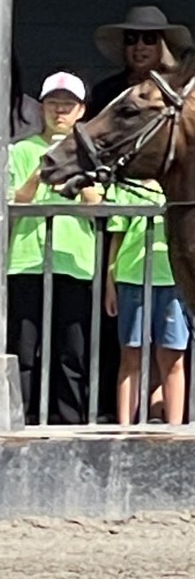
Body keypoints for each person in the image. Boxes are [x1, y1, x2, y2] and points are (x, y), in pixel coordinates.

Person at [7, 72, 101, 426]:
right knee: (24, 348)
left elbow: (97, 204)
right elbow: (13, 201)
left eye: (68, 104)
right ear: (41, 107)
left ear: (81, 110)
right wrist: (41, 170)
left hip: (74, 259)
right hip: (26, 260)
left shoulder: (91, 153)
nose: (60, 111)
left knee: (72, 348)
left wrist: (73, 176)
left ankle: (70, 418)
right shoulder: (20, 149)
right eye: (53, 103)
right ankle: (23, 415)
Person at [105, 172, 188, 427]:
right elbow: (117, 236)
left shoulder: (183, 184)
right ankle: (125, 428)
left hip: (175, 279)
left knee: (172, 357)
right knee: (130, 354)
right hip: (132, 277)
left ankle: (173, 429)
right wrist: (110, 282)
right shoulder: (129, 187)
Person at [87, 3, 192, 115]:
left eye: (149, 39)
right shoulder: (105, 91)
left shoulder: (179, 90)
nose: (139, 47)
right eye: (131, 39)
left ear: (163, 46)